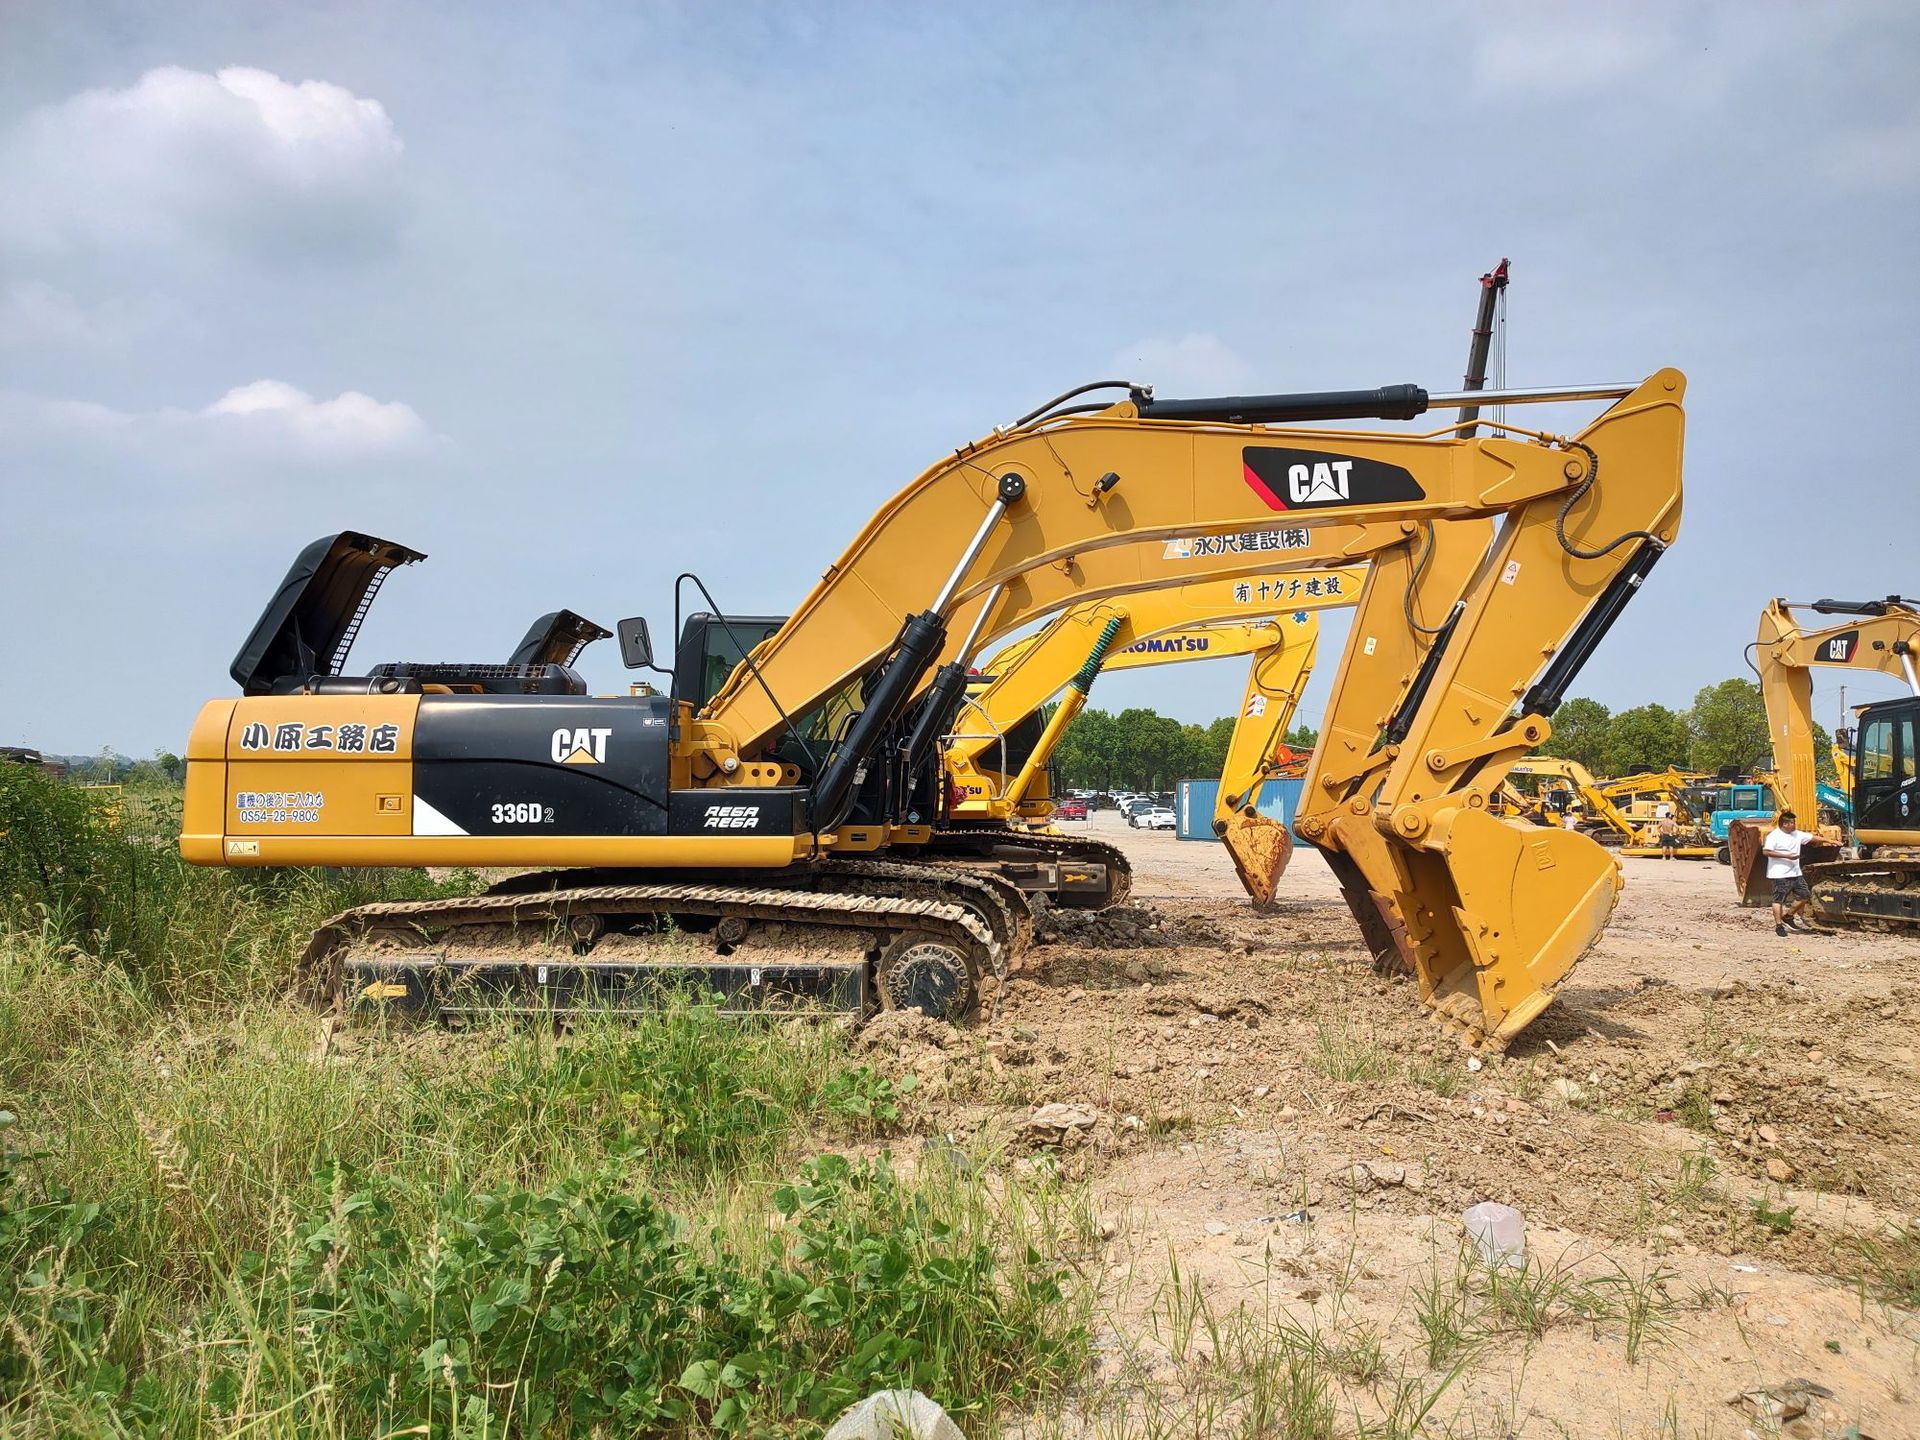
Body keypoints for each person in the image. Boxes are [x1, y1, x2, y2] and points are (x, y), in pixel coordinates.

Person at [1762, 809, 1819, 936]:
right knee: (1779, 900)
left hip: (1795, 873)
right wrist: (1787, 856)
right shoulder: (1774, 836)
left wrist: (1830, 841)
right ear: (1785, 824)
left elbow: (1812, 837)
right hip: (1779, 874)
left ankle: (1788, 916)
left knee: (1804, 895)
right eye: (1792, 823)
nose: (1795, 825)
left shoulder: (1796, 834)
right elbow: (1766, 852)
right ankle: (1779, 926)